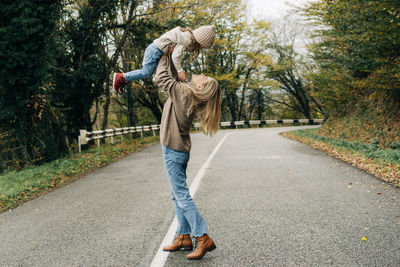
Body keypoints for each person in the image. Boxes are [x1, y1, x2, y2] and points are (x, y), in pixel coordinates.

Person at [154, 53, 221, 260]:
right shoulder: (187, 93)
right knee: (177, 194)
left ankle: (202, 236)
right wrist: (173, 62)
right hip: (178, 150)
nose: (201, 74)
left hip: (173, 150)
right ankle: (183, 236)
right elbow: (171, 78)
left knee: (181, 195)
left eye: (204, 77)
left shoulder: (184, 93)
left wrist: (164, 53)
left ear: (200, 87)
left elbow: (161, 79)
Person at [113, 25, 216, 92]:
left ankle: (124, 80)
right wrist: (180, 70)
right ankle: (121, 77)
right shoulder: (187, 40)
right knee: (146, 73)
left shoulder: (186, 35)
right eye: (203, 47)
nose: (201, 48)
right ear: (200, 42)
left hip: (155, 49)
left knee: (151, 73)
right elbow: (176, 56)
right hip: (155, 51)